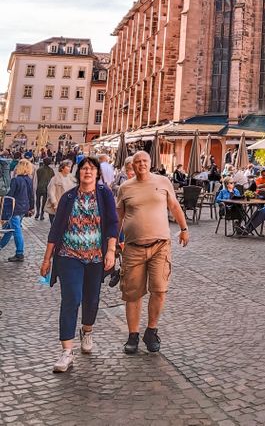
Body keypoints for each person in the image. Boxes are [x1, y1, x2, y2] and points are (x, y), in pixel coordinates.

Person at [40, 156, 119, 373]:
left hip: (95, 257)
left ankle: (87, 329)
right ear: (78, 173)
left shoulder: (105, 195)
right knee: (71, 299)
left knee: (91, 299)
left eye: (91, 169)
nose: (87, 172)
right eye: (84, 168)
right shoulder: (68, 197)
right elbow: (55, 229)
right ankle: (66, 351)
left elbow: (113, 223)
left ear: (97, 174)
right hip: (69, 256)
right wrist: (47, 259)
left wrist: (111, 250)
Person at [116, 150, 189, 355]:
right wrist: (112, 243)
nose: (141, 164)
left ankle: (151, 330)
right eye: (137, 162)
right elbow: (118, 216)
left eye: (144, 161)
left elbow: (174, 206)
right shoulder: (125, 187)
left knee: (159, 289)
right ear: (132, 165)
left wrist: (184, 229)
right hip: (133, 248)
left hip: (160, 246)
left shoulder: (163, 182)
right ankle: (133, 335)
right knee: (133, 293)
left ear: (150, 163)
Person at [0, 158, 34, 261]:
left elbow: (10, 196)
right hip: (24, 208)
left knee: (16, 230)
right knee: (10, 229)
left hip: (15, 209)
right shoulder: (28, 179)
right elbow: (31, 195)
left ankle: (20, 253)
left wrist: (3, 213)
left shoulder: (16, 180)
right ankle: (0, 246)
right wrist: (31, 207)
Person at [46, 161, 76, 226]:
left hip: (67, 206)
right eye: (68, 166)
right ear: (62, 168)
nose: (70, 168)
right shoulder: (55, 178)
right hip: (56, 206)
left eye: (70, 167)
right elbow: (51, 192)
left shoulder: (71, 178)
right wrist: (55, 203)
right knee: (55, 226)